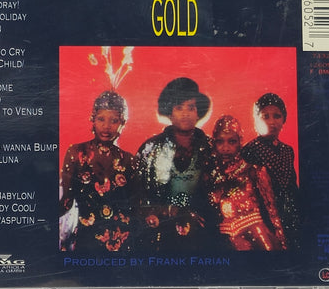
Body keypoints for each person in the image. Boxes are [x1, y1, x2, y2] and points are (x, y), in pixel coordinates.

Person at [136, 77, 212, 252]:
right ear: (169, 113)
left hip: (202, 230)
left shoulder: (211, 148)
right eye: (179, 108)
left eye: (191, 108)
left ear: (198, 113)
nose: (185, 114)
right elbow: (138, 195)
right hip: (159, 229)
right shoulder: (150, 148)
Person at [59, 91, 137, 253]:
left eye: (114, 120)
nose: (106, 126)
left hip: (121, 241)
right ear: (92, 119)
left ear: (123, 123)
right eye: (101, 119)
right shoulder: (76, 153)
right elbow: (66, 201)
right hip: (86, 237)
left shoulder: (129, 160)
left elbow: (136, 205)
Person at [203, 115, 286, 251]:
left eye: (232, 142)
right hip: (226, 242)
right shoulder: (210, 176)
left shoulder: (253, 170)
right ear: (214, 143)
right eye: (220, 142)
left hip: (257, 237)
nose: (225, 148)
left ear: (240, 142)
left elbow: (273, 213)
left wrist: (282, 244)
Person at [241, 93, 300, 248]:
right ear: (256, 120)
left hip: (290, 213)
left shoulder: (287, 150)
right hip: (264, 217)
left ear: (284, 119)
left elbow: (292, 186)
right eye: (265, 116)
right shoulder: (249, 150)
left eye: (277, 116)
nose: (272, 122)